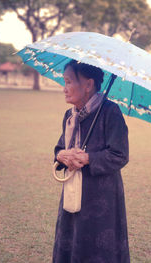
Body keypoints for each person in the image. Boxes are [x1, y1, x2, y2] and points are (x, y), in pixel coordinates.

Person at [53, 59, 130, 263]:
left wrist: (88, 158)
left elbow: (120, 154)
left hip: (101, 199)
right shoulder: (70, 116)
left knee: (98, 249)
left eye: (69, 82)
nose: (64, 89)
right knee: (71, 241)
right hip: (72, 191)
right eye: (65, 82)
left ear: (88, 85)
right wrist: (61, 155)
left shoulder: (110, 112)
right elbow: (61, 148)